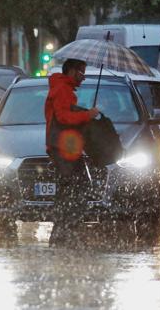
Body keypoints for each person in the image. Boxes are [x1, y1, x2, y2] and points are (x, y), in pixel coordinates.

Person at [45, 59, 100, 246]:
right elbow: (63, 117)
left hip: (66, 147)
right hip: (62, 148)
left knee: (72, 188)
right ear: (71, 71)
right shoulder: (61, 89)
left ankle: (64, 231)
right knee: (74, 188)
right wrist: (88, 115)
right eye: (81, 73)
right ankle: (65, 231)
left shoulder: (64, 88)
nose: (83, 78)